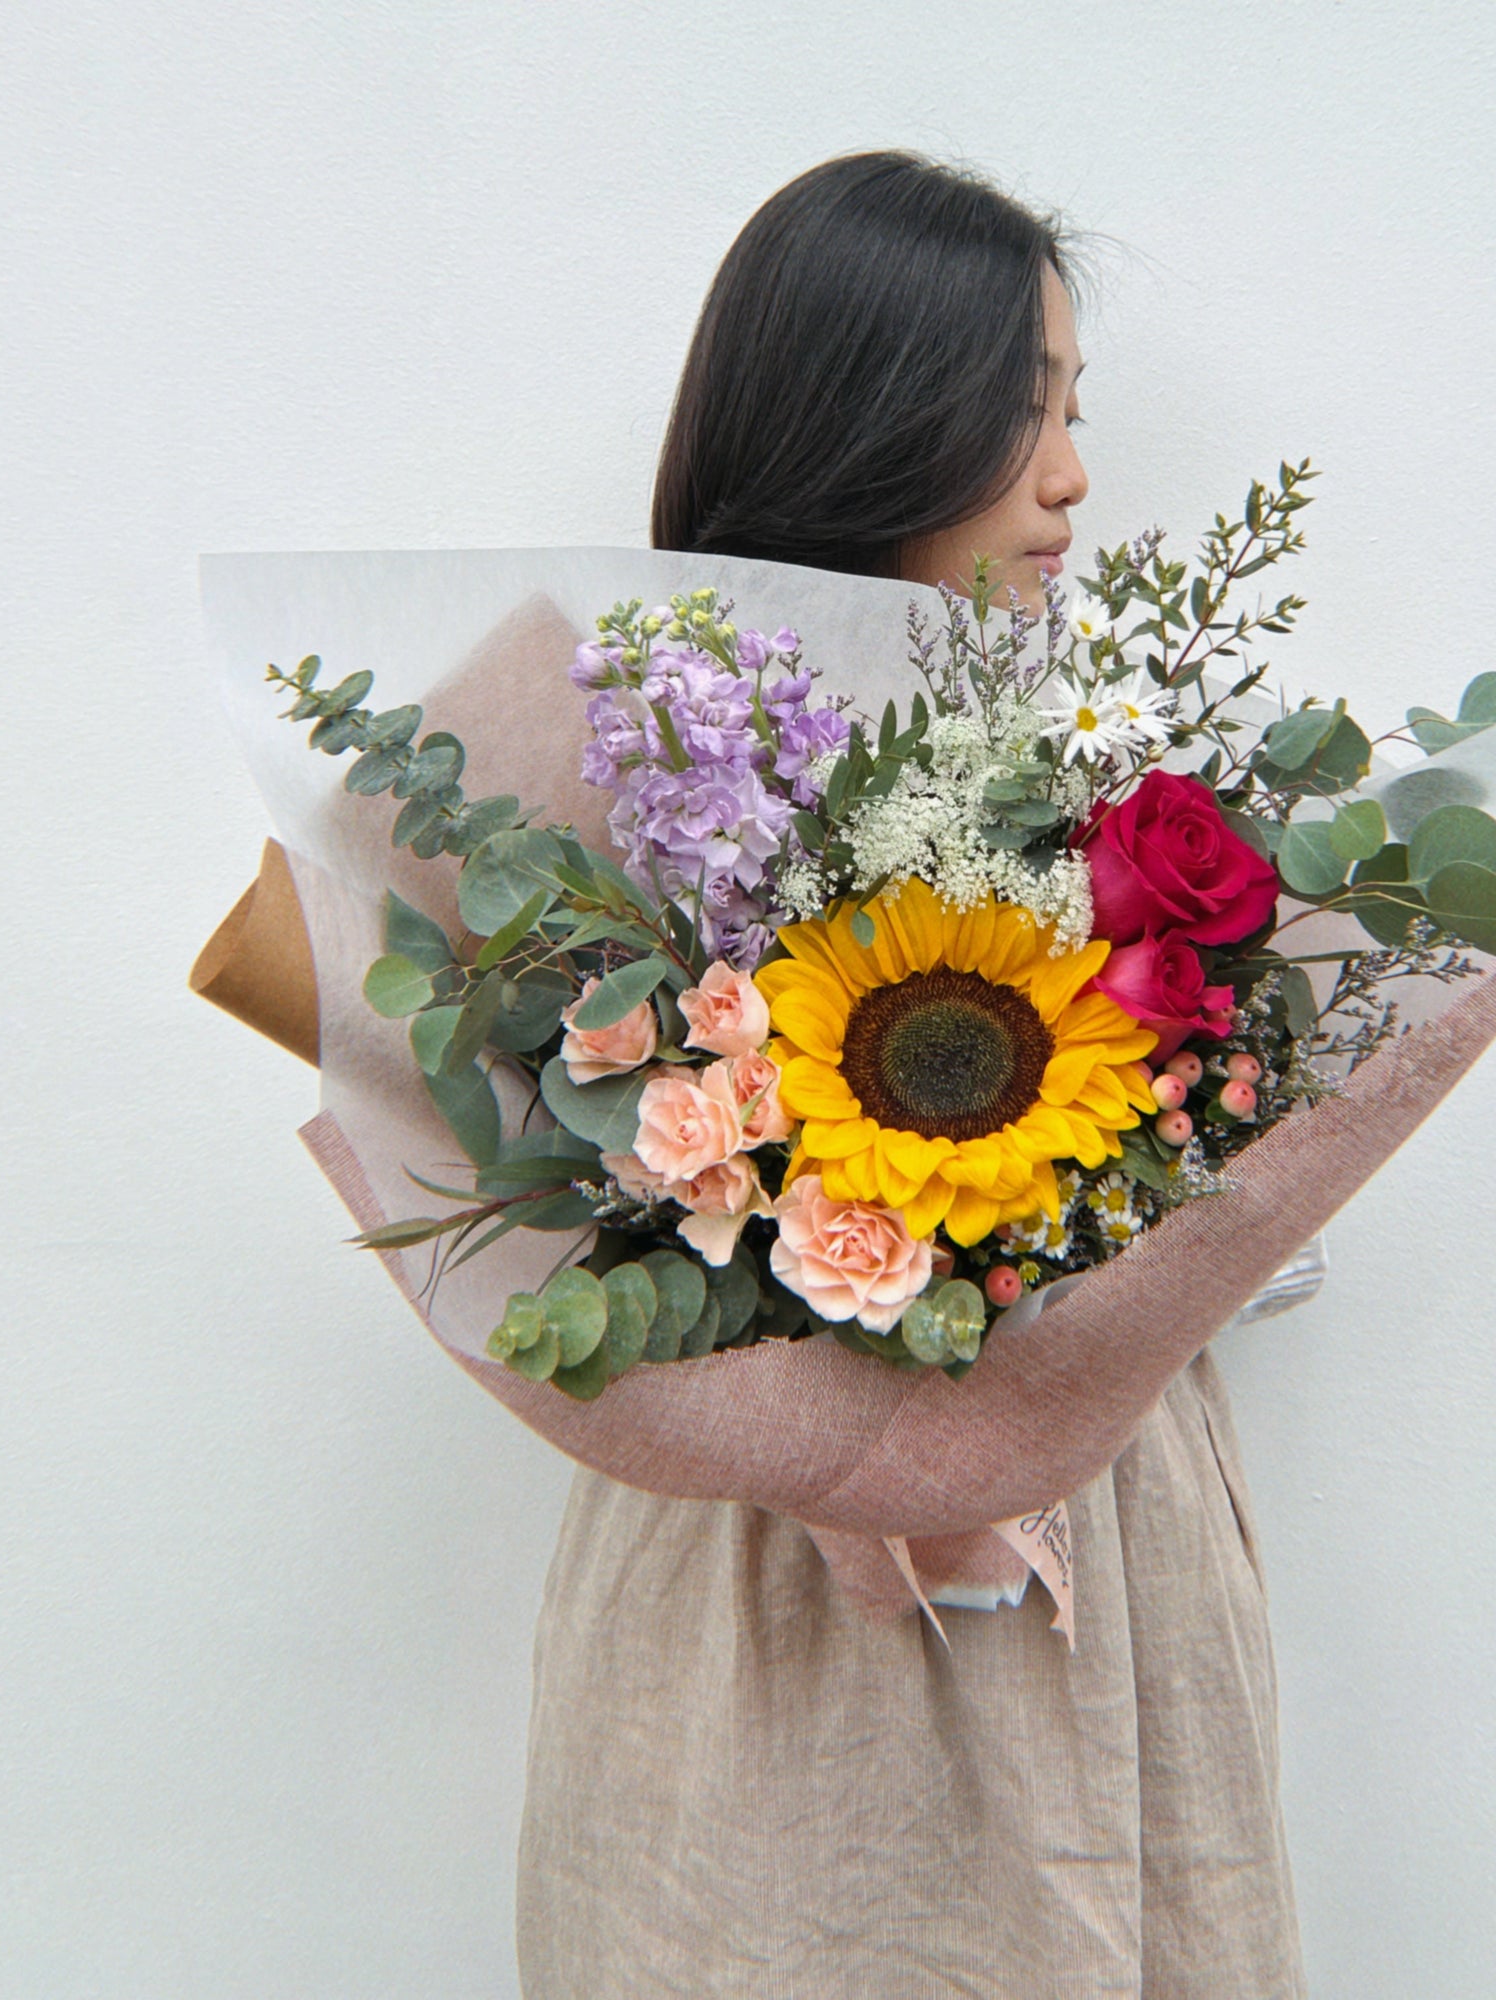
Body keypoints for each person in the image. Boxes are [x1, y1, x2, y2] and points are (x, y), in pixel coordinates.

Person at [515, 152, 1309, 1999]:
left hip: (1095, 1549)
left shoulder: (1109, 774)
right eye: (1020, 411)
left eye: (1076, 409)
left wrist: (1188, 1189)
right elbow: (529, 1192)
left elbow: (1244, 1202)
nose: (1074, 475)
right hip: (756, 1589)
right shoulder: (625, 777)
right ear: (871, 419)